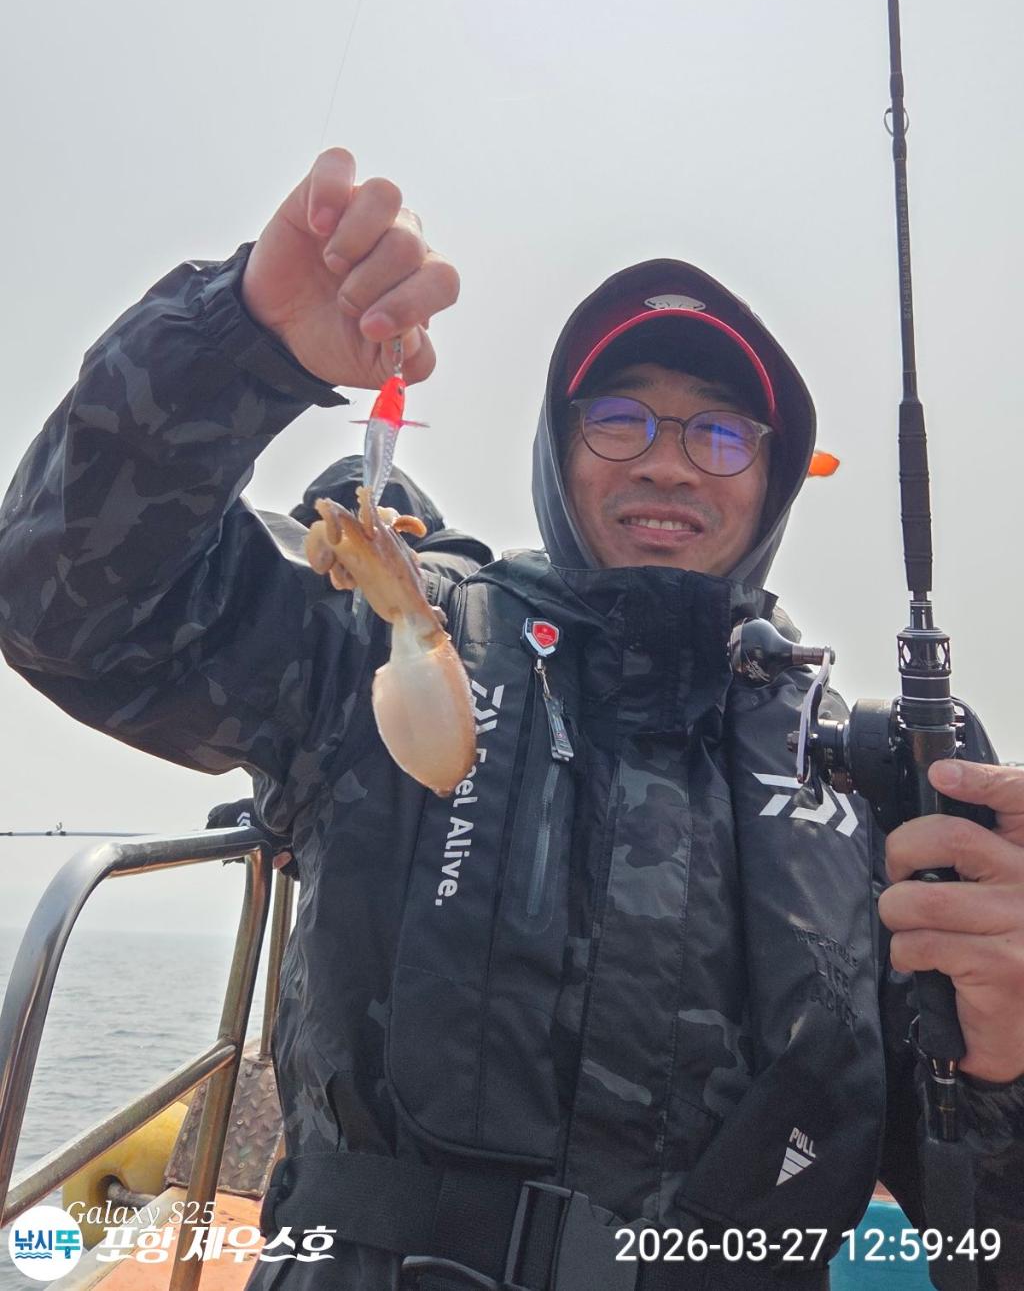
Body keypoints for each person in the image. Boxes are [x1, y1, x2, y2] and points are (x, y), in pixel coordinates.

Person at [1, 147, 1022, 1291]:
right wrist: (239, 344)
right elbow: (68, 612)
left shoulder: (870, 780)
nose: (671, 466)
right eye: (620, 420)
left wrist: (1006, 1064)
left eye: (722, 433)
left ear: (773, 476)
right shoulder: (398, 631)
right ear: (557, 447)